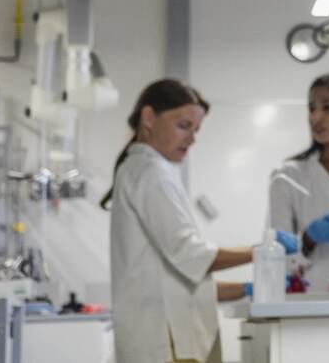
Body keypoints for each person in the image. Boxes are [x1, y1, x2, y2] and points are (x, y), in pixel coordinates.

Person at [102, 79, 299, 363]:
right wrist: (263, 250)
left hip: (162, 336)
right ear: (148, 118)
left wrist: (244, 290)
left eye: (196, 130)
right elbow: (191, 255)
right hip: (167, 340)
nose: (192, 138)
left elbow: (176, 274)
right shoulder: (150, 172)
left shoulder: (144, 169)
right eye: (183, 126)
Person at [268, 74, 329, 293]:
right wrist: (308, 239)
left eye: (328, 107)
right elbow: (275, 257)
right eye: (311, 108)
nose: (315, 117)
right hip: (311, 303)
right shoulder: (288, 177)